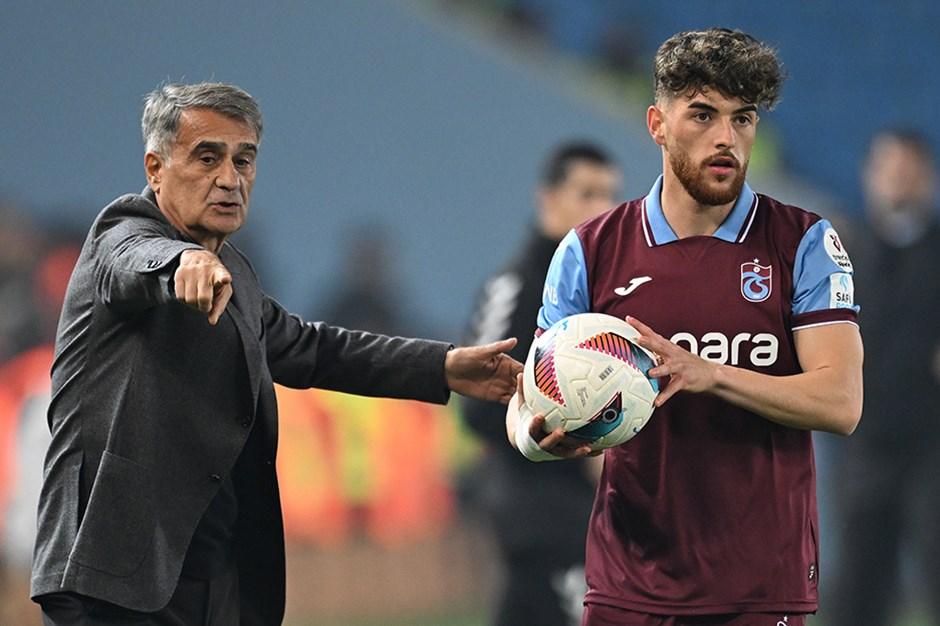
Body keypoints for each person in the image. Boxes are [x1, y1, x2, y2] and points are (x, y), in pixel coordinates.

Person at [30, 82, 522, 626]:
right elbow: (135, 261)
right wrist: (182, 266)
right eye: (207, 157)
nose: (229, 178)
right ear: (155, 168)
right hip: (115, 577)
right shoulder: (120, 233)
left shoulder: (236, 272)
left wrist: (444, 366)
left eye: (245, 160)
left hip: (206, 577)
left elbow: (311, 348)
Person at [505, 29, 864, 625]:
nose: (726, 138)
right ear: (657, 124)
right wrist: (536, 439)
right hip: (627, 581)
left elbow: (841, 401)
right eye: (703, 114)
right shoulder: (590, 250)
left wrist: (712, 374)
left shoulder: (803, 243)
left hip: (758, 587)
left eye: (742, 118)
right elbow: (530, 400)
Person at [462, 142, 621, 626]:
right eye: (587, 193)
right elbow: (476, 404)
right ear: (547, 199)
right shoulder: (518, 284)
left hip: (599, 509)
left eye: (610, 195)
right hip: (541, 508)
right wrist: (569, 432)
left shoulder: (610, 288)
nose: (603, 209)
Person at [828, 130, 940, 625]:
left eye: (907, 168)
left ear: (928, 178)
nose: (896, 179)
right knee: (859, 573)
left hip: (932, 439)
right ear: (869, 175)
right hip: (863, 438)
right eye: (888, 167)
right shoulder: (841, 253)